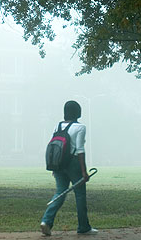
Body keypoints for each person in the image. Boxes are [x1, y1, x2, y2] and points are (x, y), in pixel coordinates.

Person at [40, 100, 98, 236]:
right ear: (78, 112)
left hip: (59, 163)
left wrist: (55, 167)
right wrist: (84, 172)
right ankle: (84, 227)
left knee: (60, 193)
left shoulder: (58, 126)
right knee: (80, 195)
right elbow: (80, 150)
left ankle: (46, 221)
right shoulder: (80, 127)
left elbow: (55, 148)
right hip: (73, 164)